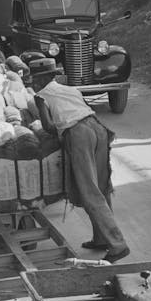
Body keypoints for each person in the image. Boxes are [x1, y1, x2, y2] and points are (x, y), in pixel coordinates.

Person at [28, 58, 130, 262]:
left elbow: (49, 127)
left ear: (40, 80)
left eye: (34, 80)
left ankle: (117, 245)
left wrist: (40, 127)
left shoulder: (41, 96)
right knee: (102, 186)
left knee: (89, 190)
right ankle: (101, 238)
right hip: (97, 128)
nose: (32, 83)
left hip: (79, 134)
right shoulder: (71, 89)